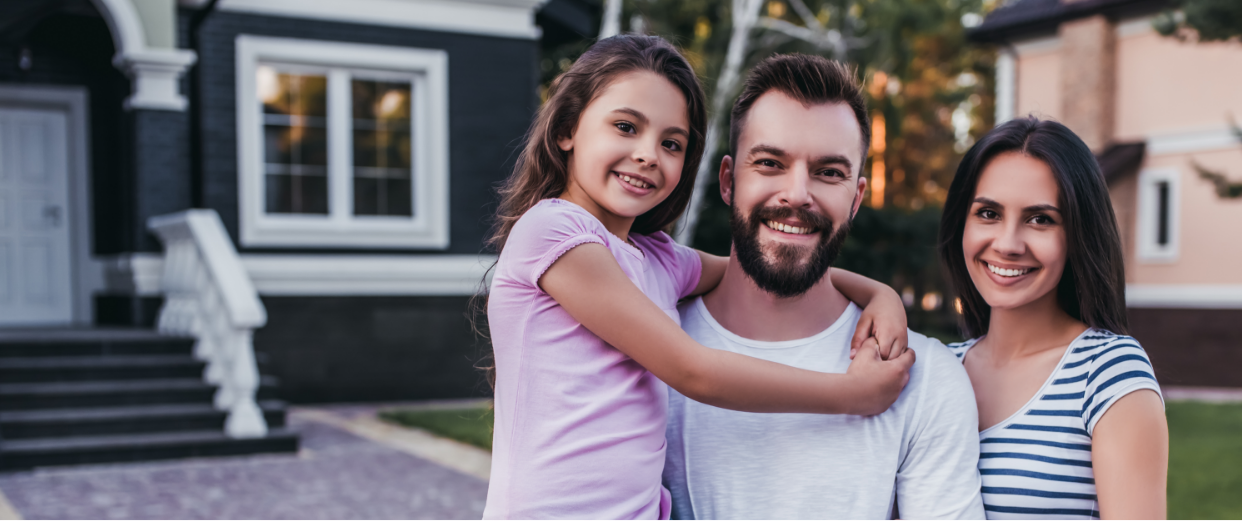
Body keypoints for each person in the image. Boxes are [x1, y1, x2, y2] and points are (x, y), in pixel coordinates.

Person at [481, 35, 917, 520]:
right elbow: (694, 371)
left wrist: (879, 294)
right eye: (626, 127)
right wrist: (852, 394)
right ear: (567, 128)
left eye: (671, 143)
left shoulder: (657, 259)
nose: (648, 155)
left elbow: (759, 264)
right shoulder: (552, 233)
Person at [662, 53, 986, 521]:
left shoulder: (922, 379)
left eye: (829, 172)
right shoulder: (649, 350)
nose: (797, 194)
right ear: (729, 181)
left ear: (856, 199)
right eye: (771, 163)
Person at [938, 116, 1169, 521]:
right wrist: (878, 296)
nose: (1007, 244)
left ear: (1078, 233)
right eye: (988, 213)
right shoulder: (936, 369)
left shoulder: (1107, 372)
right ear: (962, 223)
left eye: (1040, 219)